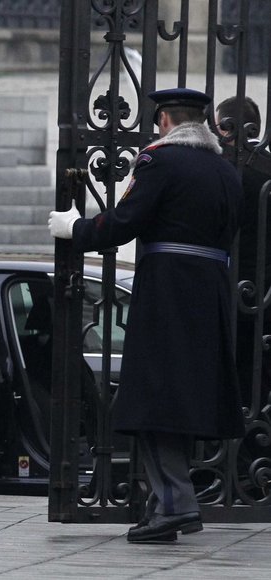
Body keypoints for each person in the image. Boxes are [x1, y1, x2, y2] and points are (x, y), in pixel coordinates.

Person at [48, 88, 245, 543]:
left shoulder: (160, 161)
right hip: (210, 293)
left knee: (152, 400)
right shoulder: (224, 169)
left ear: (164, 122)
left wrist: (74, 228)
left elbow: (125, 221)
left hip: (167, 293)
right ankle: (164, 502)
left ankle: (177, 504)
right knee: (183, 400)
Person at [215, 95, 271, 406]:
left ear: (222, 127)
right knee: (256, 381)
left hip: (223, 289)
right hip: (263, 294)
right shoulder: (267, 170)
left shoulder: (217, 170)